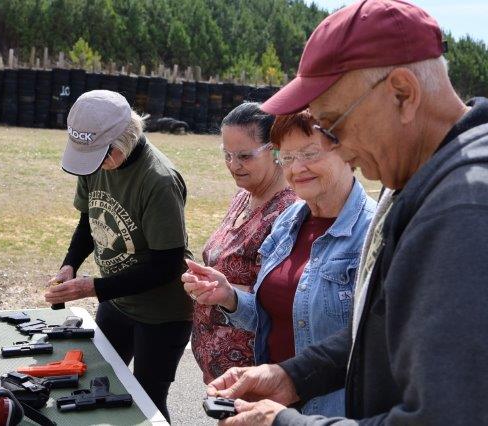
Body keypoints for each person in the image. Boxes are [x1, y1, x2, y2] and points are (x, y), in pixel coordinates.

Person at [206, 1, 488, 425]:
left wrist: (285, 422)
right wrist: (292, 376)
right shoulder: (426, 178)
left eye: (334, 125)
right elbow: (380, 330)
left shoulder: (462, 208)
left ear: (403, 94)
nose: (341, 149)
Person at [185, 110, 375, 417]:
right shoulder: (289, 222)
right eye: (286, 157)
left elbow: (375, 343)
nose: (297, 168)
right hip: (274, 403)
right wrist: (229, 297)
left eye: (310, 153)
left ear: (348, 152)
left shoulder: (372, 233)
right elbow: (275, 316)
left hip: (331, 412)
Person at [44, 90, 192, 423]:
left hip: (162, 313)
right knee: (93, 378)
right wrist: (70, 265)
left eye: (100, 155)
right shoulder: (96, 161)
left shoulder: (159, 180)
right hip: (116, 298)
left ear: (123, 140)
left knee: (147, 398)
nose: (94, 165)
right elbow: (89, 218)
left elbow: (168, 266)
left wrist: (91, 288)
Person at [191, 102, 298, 384]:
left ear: (275, 150)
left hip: (254, 373)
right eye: (227, 154)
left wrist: (225, 291)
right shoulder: (244, 195)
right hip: (222, 372)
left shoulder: (288, 212)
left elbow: (282, 299)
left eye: (244, 156)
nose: (233, 165)